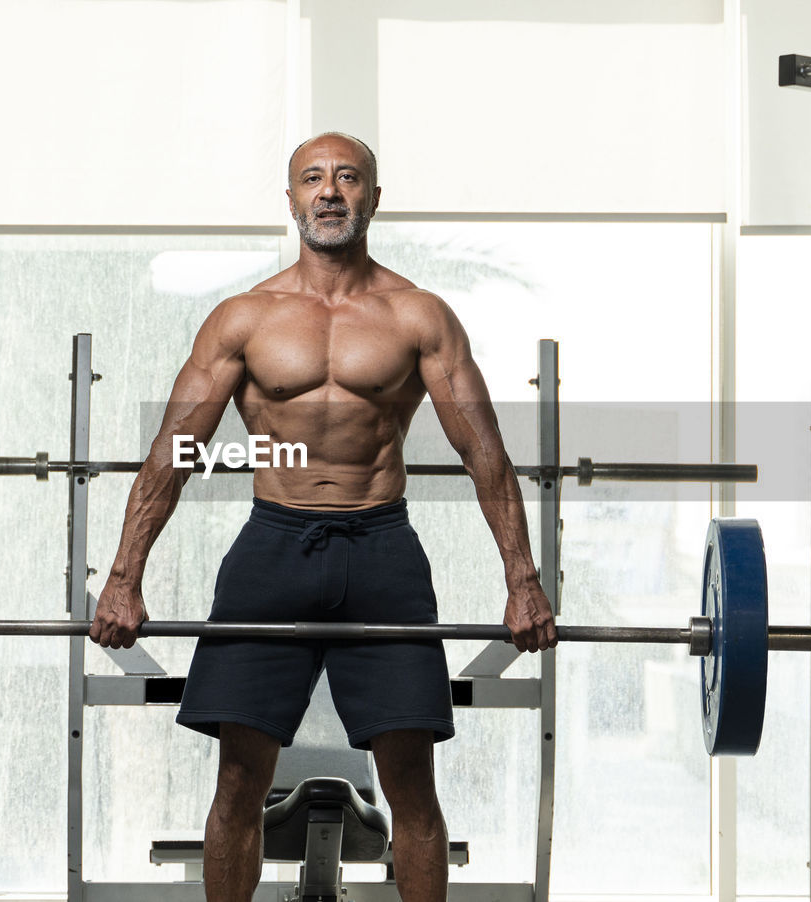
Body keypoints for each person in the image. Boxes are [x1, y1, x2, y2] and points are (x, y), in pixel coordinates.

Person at [90, 132, 557, 902]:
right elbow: (173, 453)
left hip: (382, 549)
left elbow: (487, 457)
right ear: (291, 198)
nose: (330, 191)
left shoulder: (419, 316)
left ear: (374, 196)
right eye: (313, 178)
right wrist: (122, 578)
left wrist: (523, 580)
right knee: (240, 777)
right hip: (272, 547)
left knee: (411, 779)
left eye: (347, 177)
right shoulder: (242, 318)